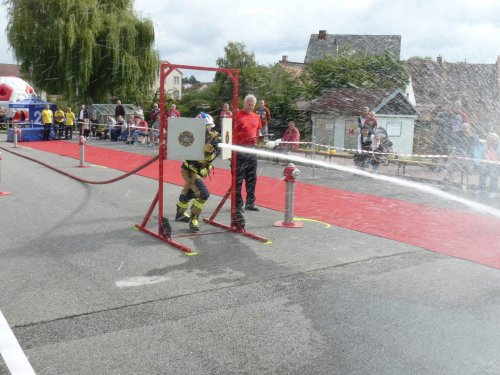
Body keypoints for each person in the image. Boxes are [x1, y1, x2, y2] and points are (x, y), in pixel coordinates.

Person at [175, 113, 221, 232]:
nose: (210, 129)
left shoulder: (212, 137)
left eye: (211, 126)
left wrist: (217, 145)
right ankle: (194, 219)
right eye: (208, 126)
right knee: (203, 193)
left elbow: (219, 144)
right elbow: (197, 157)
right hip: (190, 170)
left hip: (200, 171)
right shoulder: (192, 138)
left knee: (189, 191)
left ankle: (179, 213)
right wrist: (205, 150)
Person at [234, 94, 262, 221]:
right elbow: (229, 132)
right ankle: (238, 204)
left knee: (252, 178)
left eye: (252, 104)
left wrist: (261, 138)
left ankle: (250, 202)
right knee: (238, 179)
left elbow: (258, 131)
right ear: (244, 103)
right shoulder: (237, 115)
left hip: (251, 149)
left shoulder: (257, 117)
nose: (250, 106)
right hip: (239, 149)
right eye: (248, 104)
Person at [475, 132, 500, 198]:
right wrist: (483, 162)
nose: (491, 139)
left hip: (495, 164)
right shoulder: (486, 145)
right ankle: (480, 189)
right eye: (490, 138)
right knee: (482, 175)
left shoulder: (498, 146)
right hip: (486, 163)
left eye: (493, 138)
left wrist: (494, 163)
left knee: (494, 177)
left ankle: (493, 191)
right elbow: (483, 154)